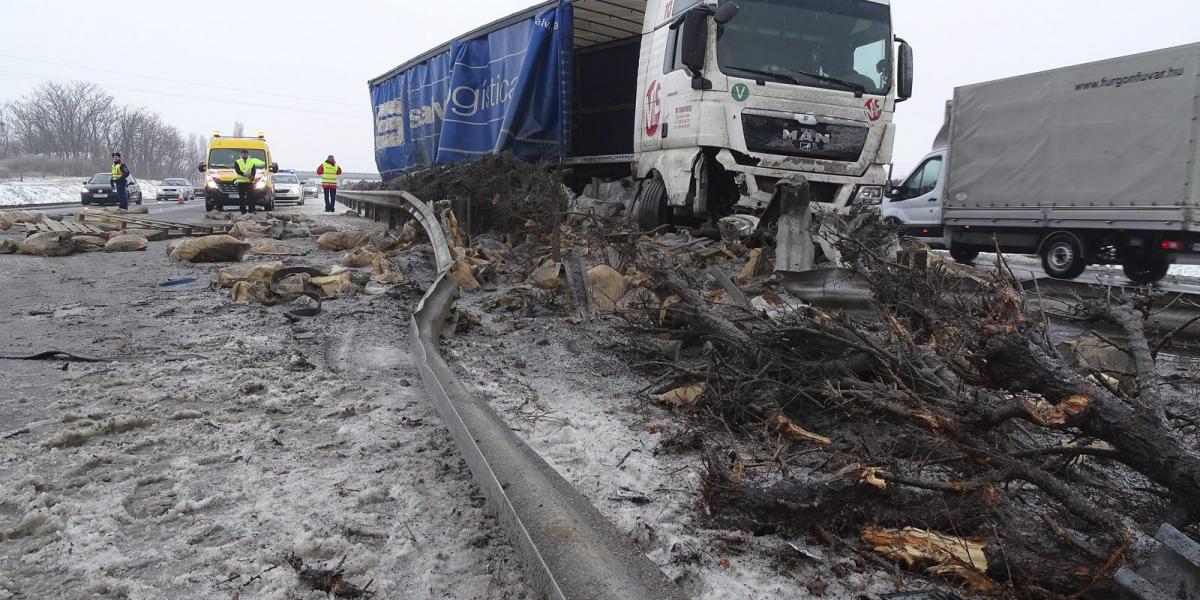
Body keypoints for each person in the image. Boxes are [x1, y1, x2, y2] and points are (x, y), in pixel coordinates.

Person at [233, 150, 265, 214]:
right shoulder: (237, 161)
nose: (244, 155)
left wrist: (252, 176)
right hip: (241, 182)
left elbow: (253, 170)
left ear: (248, 154)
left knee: (251, 197)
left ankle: (252, 210)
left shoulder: (251, 162)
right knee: (242, 198)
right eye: (243, 154)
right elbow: (237, 170)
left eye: (245, 154)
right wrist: (244, 174)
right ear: (241, 155)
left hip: (249, 182)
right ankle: (243, 211)